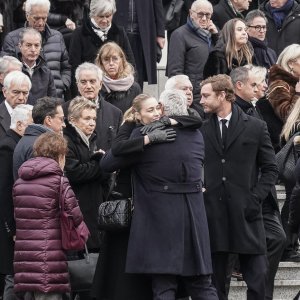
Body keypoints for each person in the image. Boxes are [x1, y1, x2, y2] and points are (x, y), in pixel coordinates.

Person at [100, 90, 219, 300]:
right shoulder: (197, 134)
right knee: (201, 284)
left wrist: (130, 124)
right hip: (193, 217)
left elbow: (108, 163)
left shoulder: (145, 135)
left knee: (164, 285)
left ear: (162, 109)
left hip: (159, 219)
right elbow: (194, 121)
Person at [200, 74, 278, 300]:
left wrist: (256, 199)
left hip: (248, 213)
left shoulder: (256, 126)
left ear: (222, 95)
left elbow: (271, 169)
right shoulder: (202, 130)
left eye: (206, 96)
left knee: (258, 279)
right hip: (214, 214)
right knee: (215, 283)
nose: (201, 100)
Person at [231, 65, 286, 300]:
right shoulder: (233, 113)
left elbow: (268, 157)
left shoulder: (255, 110)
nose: (260, 88)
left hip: (261, 192)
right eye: (254, 84)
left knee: (277, 238)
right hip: (241, 193)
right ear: (239, 86)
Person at [13, 131, 86, 300]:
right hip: (49, 255)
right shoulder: (59, 182)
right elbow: (75, 216)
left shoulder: (20, 181)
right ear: (60, 155)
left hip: (24, 256)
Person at [2, 0, 71, 99]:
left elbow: (66, 67)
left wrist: (62, 85)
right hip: (25, 99)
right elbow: (5, 71)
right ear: (27, 16)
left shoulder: (57, 37)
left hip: (56, 97)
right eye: (36, 18)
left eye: (44, 18)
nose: (41, 22)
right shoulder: (12, 38)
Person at [64, 97, 105, 251]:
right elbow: (74, 172)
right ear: (73, 120)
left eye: (94, 118)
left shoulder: (91, 138)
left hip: (93, 204)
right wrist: (100, 162)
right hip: (78, 206)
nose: (92, 122)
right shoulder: (67, 140)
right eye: (87, 118)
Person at [69, 0, 135, 97]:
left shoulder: (119, 32)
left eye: (108, 16)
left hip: (118, 92)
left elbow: (130, 63)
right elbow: (74, 67)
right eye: (101, 16)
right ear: (92, 14)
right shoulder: (79, 34)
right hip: (89, 91)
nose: (105, 20)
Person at [0, 104, 33, 300]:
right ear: (20, 124)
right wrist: (11, 228)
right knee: (13, 274)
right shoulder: (8, 147)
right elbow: (4, 190)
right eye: (31, 123)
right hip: (9, 224)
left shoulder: (15, 144)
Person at [167, 0, 218, 109]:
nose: (204, 18)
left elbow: (222, 58)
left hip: (212, 94)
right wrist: (184, 95)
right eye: (200, 14)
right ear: (191, 13)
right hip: (193, 97)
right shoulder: (179, 34)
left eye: (207, 15)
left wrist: (216, 36)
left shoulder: (212, 34)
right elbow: (175, 72)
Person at [113, 0, 165, 88]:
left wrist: (160, 33)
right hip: (118, 31)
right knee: (116, 70)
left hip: (141, 34)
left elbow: (158, 5)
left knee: (138, 75)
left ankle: (137, 99)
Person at [72, 62, 122, 151]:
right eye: (83, 82)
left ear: (100, 84)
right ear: (77, 85)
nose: (88, 86)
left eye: (92, 81)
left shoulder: (115, 113)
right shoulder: (65, 110)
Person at [13, 97, 65, 180]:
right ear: (48, 120)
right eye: (61, 119)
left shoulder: (28, 139)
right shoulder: (41, 145)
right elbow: (44, 184)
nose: (64, 125)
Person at [279, 96, 300, 262]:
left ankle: (289, 245)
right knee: (292, 206)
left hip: (291, 172)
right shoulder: (297, 126)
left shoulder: (293, 123)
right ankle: (288, 246)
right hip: (295, 171)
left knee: (290, 204)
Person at [95, 41, 141, 114]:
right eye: (106, 59)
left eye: (115, 59)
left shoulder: (134, 87)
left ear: (122, 60)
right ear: (101, 62)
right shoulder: (96, 86)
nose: (111, 63)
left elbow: (138, 114)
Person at [17, 28, 56, 105]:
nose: (33, 49)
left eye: (37, 45)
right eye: (28, 45)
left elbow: (53, 101)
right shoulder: (13, 70)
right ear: (20, 46)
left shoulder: (46, 73)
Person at [0, 70, 31, 139]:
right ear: (5, 92)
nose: (21, 98)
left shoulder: (33, 116)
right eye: (16, 92)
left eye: (25, 93)